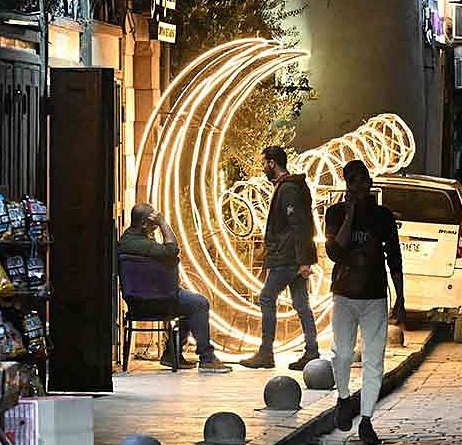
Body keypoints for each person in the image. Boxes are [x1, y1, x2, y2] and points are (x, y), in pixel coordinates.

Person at [324, 159, 405, 445]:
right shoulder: (334, 213)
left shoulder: (382, 217)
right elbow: (335, 250)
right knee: (342, 353)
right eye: (354, 180)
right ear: (346, 184)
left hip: (374, 296)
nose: (361, 185)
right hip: (344, 294)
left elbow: (394, 257)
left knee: (374, 359)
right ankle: (343, 399)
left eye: (364, 180)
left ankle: (368, 419)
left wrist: (400, 296)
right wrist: (349, 214)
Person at [118, 204, 231, 372]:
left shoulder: (127, 240)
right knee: (199, 303)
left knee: (188, 302)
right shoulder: (142, 244)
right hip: (160, 301)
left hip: (136, 302)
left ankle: (173, 354)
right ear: (143, 224)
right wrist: (164, 223)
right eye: (153, 224)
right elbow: (172, 250)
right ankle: (207, 358)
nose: (156, 228)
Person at [240, 146, 320, 371]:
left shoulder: (288, 190)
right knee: (301, 303)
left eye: (264, 163)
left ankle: (266, 353)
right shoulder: (289, 187)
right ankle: (311, 351)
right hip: (292, 255)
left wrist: (303, 260)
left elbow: (300, 225)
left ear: (272, 163)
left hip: (287, 257)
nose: (263, 167)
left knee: (266, 298)